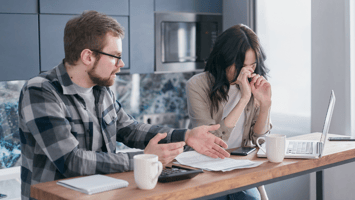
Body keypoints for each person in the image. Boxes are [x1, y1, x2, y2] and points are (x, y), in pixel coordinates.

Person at [18, 10, 230, 200]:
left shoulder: (101, 90)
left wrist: (186, 136)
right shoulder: (41, 91)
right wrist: (144, 159)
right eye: (115, 56)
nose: (122, 64)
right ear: (87, 56)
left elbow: (131, 130)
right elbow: (71, 161)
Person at [186, 24, 272, 200]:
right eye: (240, 65)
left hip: (237, 168)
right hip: (204, 169)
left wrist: (265, 105)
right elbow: (211, 144)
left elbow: (260, 143)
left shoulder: (254, 84)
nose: (247, 72)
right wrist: (243, 99)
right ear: (224, 59)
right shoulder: (197, 85)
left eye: (252, 65)